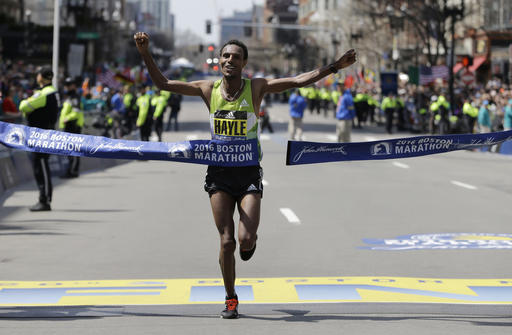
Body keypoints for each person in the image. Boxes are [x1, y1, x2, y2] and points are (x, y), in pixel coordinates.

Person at [134, 32, 356, 319]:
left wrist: (335, 67)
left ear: (244, 63)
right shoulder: (207, 89)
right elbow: (163, 84)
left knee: (245, 240)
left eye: (236, 57)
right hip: (219, 174)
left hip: (249, 173)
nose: (230, 60)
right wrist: (144, 53)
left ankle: (250, 243)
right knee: (226, 241)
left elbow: (298, 80)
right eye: (226, 56)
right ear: (220, 63)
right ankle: (230, 298)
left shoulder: (257, 88)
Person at [19, 66, 59, 211]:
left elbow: (23, 106)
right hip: (42, 134)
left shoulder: (44, 93)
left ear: (41, 77)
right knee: (40, 166)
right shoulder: (50, 92)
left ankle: (45, 200)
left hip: (41, 136)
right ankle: (43, 198)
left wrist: (26, 101)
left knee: (41, 166)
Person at [59, 78, 84, 178]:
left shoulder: (74, 97)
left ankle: (72, 171)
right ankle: (72, 170)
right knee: (71, 151)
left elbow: (76, 112)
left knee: (73, 151)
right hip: (70, 125)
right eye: (66, 85)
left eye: (69, 85)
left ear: (73, 86)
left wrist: (66, 118)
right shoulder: (70, 96)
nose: (67, 87)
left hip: (73, 125)